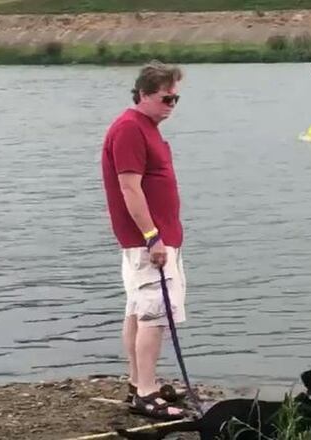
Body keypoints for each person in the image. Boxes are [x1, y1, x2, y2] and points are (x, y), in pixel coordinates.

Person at [101, 60, 188, 420]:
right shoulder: (129, 129)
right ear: (143, 94)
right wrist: (152, 237)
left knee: (139, 310)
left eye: (176, 99)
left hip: (157, 239)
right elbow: (129, 187)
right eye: (167, 98)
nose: (172, 106)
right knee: (153, 313)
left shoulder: (147, 127)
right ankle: (147, 393)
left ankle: (140, 383)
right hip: (149, 242)